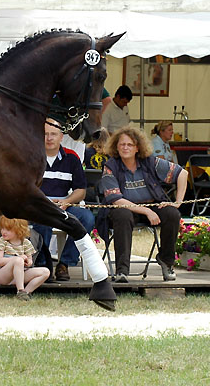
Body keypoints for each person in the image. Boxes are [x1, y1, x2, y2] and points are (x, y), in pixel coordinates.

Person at [98, 126, 188, 283]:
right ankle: (122, 270)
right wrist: (146, 211)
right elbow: (116, 199)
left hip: (152, 205)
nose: (125, 148)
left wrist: (178, 203)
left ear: (137, 147)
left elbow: (182, 173)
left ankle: (166, 262)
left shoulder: (150, 162)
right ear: (116, 146)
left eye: (130, 144)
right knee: (122, 214)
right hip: (124, 208)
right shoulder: (110, 166)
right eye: (122, 144)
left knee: (172, 214)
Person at [31, 119, 95, 281]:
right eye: (45, 134)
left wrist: (67, 202)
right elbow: (23, 187)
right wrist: (44, 202)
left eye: (53, 134)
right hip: (39, 206)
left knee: (86, 218)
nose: (49, 138)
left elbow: (81, 190)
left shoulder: (72, 158)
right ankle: (43, 264)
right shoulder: (31, 157)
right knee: (42, 219)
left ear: (61, 137)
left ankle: (64, 263)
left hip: (64, 205)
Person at [0, 217, 49, 300]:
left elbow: (30, 261)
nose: (4, 231)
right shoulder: (1, 241)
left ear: (19, 230)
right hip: (2, 275)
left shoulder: (26, 243)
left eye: (8, 229)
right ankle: (20, 290)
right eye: (2, 228)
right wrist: (17, 259)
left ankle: (26, 292)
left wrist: (27, 262)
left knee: (45, 272)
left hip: (18, 275)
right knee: (18, 260)